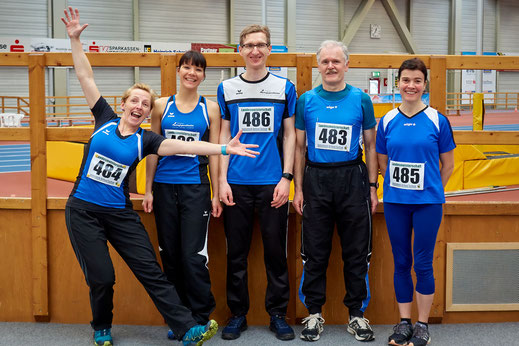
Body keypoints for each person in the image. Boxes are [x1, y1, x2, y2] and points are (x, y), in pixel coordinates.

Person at [61, 7, 258, 346]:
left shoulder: (147, 140)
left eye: (144, 102)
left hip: (120, 213)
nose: (139, 105)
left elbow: (191, 146)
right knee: (103, 277)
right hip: (83, 211)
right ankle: (101, 327)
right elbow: (85, 77)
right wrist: (75, 41)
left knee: (153, 270)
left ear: (147, 110)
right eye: (134, 100)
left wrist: (225, 150)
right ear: (123, 104)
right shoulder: (103, 119)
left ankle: (188, 328)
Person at [293, 40, 378, 343]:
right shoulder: (306, 101)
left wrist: (371, 187)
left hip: (352, 181)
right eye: (325, 61)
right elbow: (300, 148)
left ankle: (356, 314)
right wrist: (298, 188)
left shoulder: (361, 99)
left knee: (356, 252)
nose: (330, 66)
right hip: (316, 181)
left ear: (346, 65)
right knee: (314, 252)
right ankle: (314, 313)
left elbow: (370, 145)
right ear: (319, 65)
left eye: (336, 61)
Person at [217, 24, 296, 341]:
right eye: (249, 45)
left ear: (269, 49)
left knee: (275, 253)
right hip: (235, 183)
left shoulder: (284, 87)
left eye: (261, 45)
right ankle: (238, 315)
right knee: (236, 254)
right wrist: (221, 180)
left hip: (272, 185)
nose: (255, 50)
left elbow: (290, 134)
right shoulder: (226, 89)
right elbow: (223, 136)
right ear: (240, 50)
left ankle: (277, 314)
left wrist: (286, 178)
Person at [376, 58, 455, 346]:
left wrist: (431, 190)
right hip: (396, 202)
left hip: (427, 204)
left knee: (422, 263)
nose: (411, 85)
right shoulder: (386, 121)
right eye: (406, 80)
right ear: (398, 83)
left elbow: (448, 164)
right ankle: (404, 322)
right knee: (401, 262)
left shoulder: (437, 120)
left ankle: (422, 325)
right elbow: (383, 162)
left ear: (424, 85)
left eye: (417, 80)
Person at [142, 50, 220, 339]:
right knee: (170, 255)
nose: (191, 73)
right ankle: (180, 319)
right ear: (178, 71)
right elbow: (152, 149)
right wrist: (148, 189)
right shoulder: (162, 106)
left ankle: (200, 316)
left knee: (193, 255)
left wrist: (215, 191)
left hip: (195, 189)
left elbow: (214, 153)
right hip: (164, 187)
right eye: (186, 67)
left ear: (203, 75)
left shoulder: (209, 109)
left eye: (197, 69)